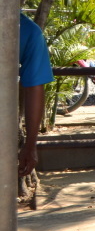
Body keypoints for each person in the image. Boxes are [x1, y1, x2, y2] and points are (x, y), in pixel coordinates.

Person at [18, 13, 54, 177]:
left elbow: (34, 87)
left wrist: (31, 145)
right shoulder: (28, 30)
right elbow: (34, 87)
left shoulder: (27, 30)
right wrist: (30, 145)